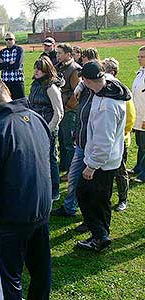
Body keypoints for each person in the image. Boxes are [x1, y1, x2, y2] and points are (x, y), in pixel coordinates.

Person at [0, 75, 52, 299]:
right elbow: (49, 162)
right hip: (40, 211)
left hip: (9, 220)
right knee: (40, 272)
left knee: (6, 280)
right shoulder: (36, 118)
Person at [76, 61, 129, 252]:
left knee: (87, 196)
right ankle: (100, 233)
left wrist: (91, 166)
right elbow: (104, 77)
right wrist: (82, 83)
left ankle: (100, 236)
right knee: (102, 199)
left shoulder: (106, 107)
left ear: (88, 80)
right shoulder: (109, 87)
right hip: (111, 158)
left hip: (102, 162)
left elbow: (103, 141)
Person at [51, 49, 100, 231]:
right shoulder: (85, 88)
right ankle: (70, 207)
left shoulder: (101, 96)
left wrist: (67, 104)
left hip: (91, 144)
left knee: (91, 185)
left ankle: (92, 222)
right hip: (81, 140)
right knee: (74, 177)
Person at [28, 56, 64, 201]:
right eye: (36, 68)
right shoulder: (35, 84)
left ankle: (55, 190)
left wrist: (49, 129)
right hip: (36, 127)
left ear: (46, 71)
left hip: (48, 129)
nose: (36, 71)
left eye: (40, 69)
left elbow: (59, 112)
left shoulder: (51, 87)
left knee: (50, 158)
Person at [102, 57, 136, 211]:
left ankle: (123, 199)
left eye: (104, 69)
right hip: (107, 140)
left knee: (120, 171)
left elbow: (130, 117)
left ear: (112, 72)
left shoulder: (121, 91)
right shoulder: (104, 89)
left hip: (120, 140)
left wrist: (121, 135)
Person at [56, 43, 82, 177]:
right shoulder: (59, 67)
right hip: (60, 108)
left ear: (69, 55)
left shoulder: (74, 70)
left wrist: (67, 108)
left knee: (69, 141)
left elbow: (76, 93)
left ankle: (72, 170)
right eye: (57, 53)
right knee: (61, 138)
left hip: (68, 110)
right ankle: (64, 165)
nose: (57, 55)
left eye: (60, 53)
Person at [0, 32, 25, 100]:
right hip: (6, 82)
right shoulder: (2, 51)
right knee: (8, 102)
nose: (8, 41)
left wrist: (4, 64)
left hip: (17, 81)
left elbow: (17, 65)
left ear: (14, 40)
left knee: (20, 103)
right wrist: (10, 63)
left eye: (10, 39)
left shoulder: (19, 50)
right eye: (6, 39)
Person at [131, 46, 145, 183]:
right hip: (138, 115)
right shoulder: (140, 73)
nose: (139, 59)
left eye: (142, 57)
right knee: (140, 144)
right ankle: (138, 167)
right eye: (138, 56)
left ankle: (143, 174)